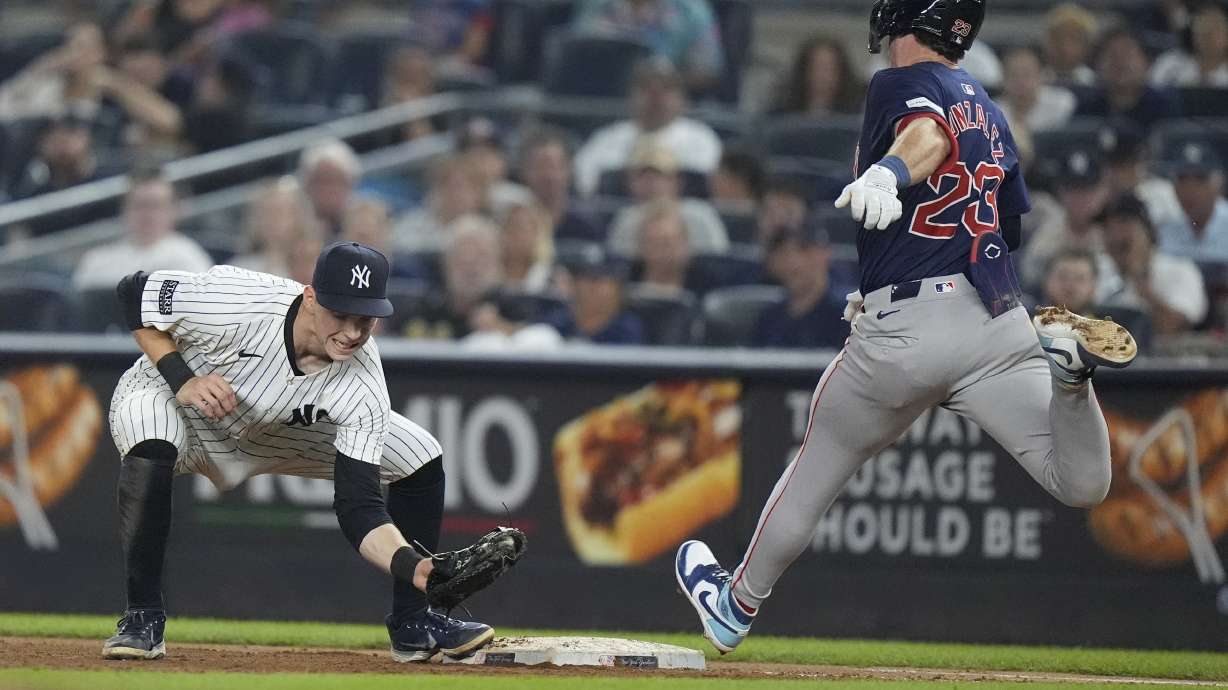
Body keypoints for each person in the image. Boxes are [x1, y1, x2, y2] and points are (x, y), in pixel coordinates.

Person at [676, 0, 1138, 655]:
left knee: (819, 463)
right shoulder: (993, 109)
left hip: (909, 328)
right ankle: (1071, 378)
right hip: (997, 320)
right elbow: (1006, 226)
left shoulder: (900, 81)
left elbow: (928, 135)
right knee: (1083, 485)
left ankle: (736, 605)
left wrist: (890, 173)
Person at [102, 241, 495, 662]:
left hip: (276, 432)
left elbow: (358, 506)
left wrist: (417, 568)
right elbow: (133, 292)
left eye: (365, 319)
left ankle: (414, 623)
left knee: (419, 454)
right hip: (180, 406)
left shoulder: (362, 381)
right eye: (339, 313)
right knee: (151, 435)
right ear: (310, 297)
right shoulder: (238, 298)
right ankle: (142, 618)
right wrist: (182, 378)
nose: (351, 332)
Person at [573, 58, 722, 197]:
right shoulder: (606, 138)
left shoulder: (701, 138)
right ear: (632, 96)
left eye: (666, 88)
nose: (655, 95)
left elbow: (710, 188)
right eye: (645, 87)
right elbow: (584, 184)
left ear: (682, 98)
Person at [73, 167, 212, 289]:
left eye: (156, 205)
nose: (147, 214)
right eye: (140, 205)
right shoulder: (96, 262)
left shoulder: (190, 259)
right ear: (124, 209)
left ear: (174, 210)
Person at [1098, 194, 1207, 334]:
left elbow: (1173, 328)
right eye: (1107, 227)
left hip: (1166, 355)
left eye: (1123, 223)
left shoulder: (1181, 270)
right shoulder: (1097, 269)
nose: (1114, 235)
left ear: (1147, 231)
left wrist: (1140, 281)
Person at [606, 136, 729, 256]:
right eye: (642, 176)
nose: (651, 183)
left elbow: (718, 262)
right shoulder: (626, 220)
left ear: (676, 181)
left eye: (659, 175)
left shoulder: (701, 216)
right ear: (630, 182)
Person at [571, 0, 725, 92]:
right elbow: (576, 52)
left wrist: (659, 83)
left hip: (665, 103)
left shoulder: (692, 11)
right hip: (598, 97)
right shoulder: (596, 5)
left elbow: (707, 71)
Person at [398, 215, 503, 340]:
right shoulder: (423, 309)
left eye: (481, 256)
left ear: (497, 261)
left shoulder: (511, 306)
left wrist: (501, 328)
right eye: (463, 255)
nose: (471, 266)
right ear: (445, 262)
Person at [751, 223, 848, 349]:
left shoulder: (851, 317)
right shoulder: (768, 321)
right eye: (782, 252)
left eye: (804, 249)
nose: (793, 262)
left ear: (826, 254)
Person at [1075, 28, 1181, 131]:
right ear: (1097, 65)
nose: (1120, 62)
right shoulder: (1086, 108)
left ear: (1147, 63)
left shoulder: (1165, 106)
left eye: (1128, 54)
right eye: (1113, 55)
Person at [517, 127, 605, 243]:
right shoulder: (513, 224)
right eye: (540, 166)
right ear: (525, 170)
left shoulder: (587, 226)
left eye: (555, 166)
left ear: (570, 170)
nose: (548, 175)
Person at [230, 177, 321, 279]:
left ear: (298, 215)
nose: (272, 220)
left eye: (280, 212)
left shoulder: (313, 265)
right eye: (265, 213)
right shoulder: (239, 269)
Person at [551, 248, 646, 345]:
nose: (592, 288)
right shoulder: (555, 324)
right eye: (584, 278)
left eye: (598, 281)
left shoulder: (628, 331)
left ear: (618, 289)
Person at [393, 155, 485, 253]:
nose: (455, 194)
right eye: (448, 186)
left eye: (463, 187)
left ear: (478, 194)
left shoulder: (484, 230)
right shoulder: (412, 222)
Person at [1157, 141, 1228, 263]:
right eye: (1182, 179)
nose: (1190, 190)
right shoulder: (1165, 231)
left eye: (1200, 179)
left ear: (1219, 183)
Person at [774, 35, 864, 116]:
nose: (824, 76)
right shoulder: (783, 114)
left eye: (830, 69)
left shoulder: (856, 115)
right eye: (817, 67)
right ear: (804, 71)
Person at [999, 46, 1076, 135]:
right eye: (1013, 75)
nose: (1020, 82)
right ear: (1003, 80)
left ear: (1041, 76)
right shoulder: (993, 112)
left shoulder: (1061, 103)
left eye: (1027, 75)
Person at [1151, 3, 1228, 88]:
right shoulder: (1170, 65)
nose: (1208, 34)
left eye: (1216, 27)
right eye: (1202, 27)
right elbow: (1150, 95)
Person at [299, 138, 362, 239]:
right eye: (322, 181)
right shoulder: (293, 231)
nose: (329, 190)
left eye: (337, 181)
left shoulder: (364, 230)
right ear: (307, 185)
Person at [1043, 4, 1098, 86]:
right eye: (1058, 38)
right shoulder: (1037, 82)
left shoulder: (1096, 83)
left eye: (1073, 39)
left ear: (1086, 46)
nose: (1064, 46)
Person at [1039, 248, 1100, 317]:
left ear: (1093, 287)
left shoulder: (1107, 326)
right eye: (1063, 276)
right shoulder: (1027, 325)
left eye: (1079, 279)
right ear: (1046, 281)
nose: (1070, 286)